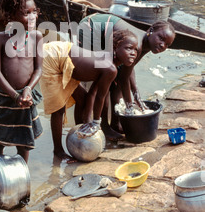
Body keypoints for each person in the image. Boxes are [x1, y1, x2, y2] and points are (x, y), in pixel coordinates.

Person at [40, 29, 139, 159]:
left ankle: (78, 136)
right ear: (116, 47)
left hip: (62, 54)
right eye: (128, 48)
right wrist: (96, 122)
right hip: (52, 57)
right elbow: (100, 97)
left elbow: (93, 93)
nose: (133, 53)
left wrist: (89, 123)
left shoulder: (108, 63)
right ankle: (58, 151)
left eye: (136, 50)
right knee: (58, 109)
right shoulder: (110, 68)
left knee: (83, 98)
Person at [78, 13, 176, 140]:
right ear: (150, 31)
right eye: (161, 38)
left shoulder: (146, 44)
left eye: (167, 44)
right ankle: (104, 126)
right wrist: (130, 107)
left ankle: (115, 122)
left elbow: (128, 70)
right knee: (106, 79)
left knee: (117, 81)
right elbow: (125, 79)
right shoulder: (139, 44)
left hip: (105, 33)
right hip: (91, 29)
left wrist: (136, 95)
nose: (163, 45)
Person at [0, 0, 43, 162]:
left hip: (26, 98)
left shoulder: (36, 37)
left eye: (34, 11)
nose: (32, 16)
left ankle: (23, 177)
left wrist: (27, 91)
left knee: (24, 139)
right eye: (26, 13)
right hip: (6, 97)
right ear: (10, 15)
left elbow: (38, 69)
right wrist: (14, 95)